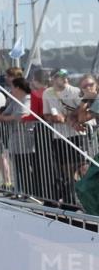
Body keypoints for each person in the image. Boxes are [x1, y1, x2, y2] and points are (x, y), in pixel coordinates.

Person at [42, 69, 83, 204]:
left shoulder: (75, 91)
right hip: (59, 136)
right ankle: (70, 200)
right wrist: (53, 118)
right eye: (61, 76)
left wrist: (64, 117)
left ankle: (85, 198)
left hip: (77, 134)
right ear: (53, 79)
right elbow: (46, 115)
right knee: (66, 171)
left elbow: (83, 110)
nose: (65, 78)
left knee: (82, 167)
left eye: (66, 75)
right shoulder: (47, 93)